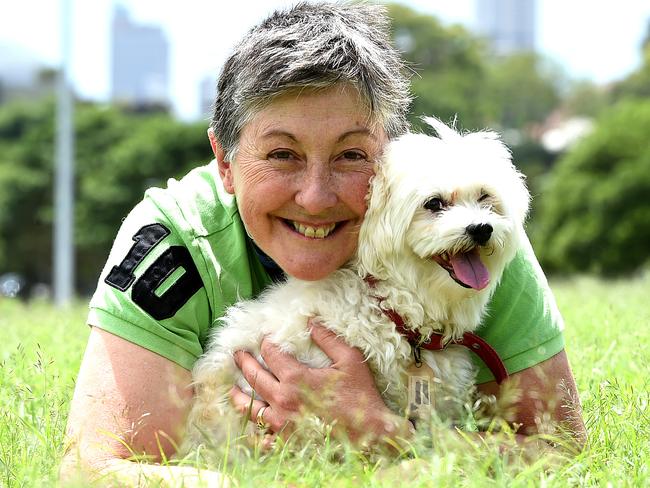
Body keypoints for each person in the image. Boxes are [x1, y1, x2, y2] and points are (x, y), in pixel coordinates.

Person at [61, 2, 586, 484]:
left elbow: (558, 449)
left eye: (351, 156)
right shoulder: (175, 239)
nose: (314, 198)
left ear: (393, 159)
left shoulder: (470, 247)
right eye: (282, 155)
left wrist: (385, 438)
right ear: (225, 162)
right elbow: (92, 468)